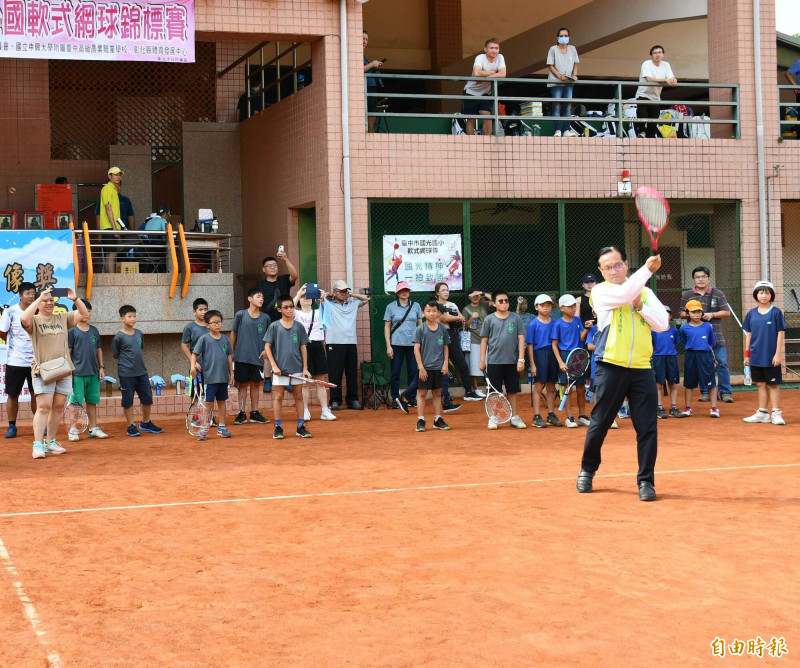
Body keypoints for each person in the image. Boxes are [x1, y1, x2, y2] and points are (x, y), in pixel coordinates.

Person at [576, 248, 668, 502]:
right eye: (607, 268)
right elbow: (626, 293)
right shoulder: (600, 291)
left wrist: (641, 307)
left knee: (647, 427)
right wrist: (648, 270)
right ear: (601, 272)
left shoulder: (646, 293)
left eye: (617, 265)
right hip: (610, 366)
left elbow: (663, 324)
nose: (613, 271)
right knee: (600, 422)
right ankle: (587, 470)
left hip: (642, 368)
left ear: (626, 265)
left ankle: (646, 481)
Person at [21, 288, 89, 458]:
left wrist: (75, 298)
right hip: (43, 371)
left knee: (58, 407)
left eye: (52, 300)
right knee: (43, 407)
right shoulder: (34, 320)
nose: (50, 303)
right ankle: (38, 444)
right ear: (38, 303)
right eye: (45, 300)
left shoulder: (62, 318)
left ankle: (50, 441)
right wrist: (38, 299)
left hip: (64, 369)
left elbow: (83, 313)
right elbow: (24, 319)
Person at [679, 266, 733, 402]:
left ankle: (726, 392)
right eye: (697, 277)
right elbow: (681, 313)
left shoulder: (718, 293)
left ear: (709, 278)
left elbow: (727, 312)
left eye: (703, 276)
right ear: (693, 279)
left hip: (717, 336)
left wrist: (712, 315)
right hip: (697, 340)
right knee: (701, 366)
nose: (701, 279)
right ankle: (705, 392)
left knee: (722, 363)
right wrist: (695, 314)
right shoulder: (687, 295)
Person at [263, 295, 312, 439]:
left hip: (297, 368)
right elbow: (267, 346)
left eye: (291, 306)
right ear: (279, 309)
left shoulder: (299, 326)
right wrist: (273, 365)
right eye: (286, 307)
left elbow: (303, 347)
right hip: (280, 371)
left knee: (298, 396)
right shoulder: (274, 326)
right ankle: (278, 427)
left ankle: (300, 426)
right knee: (278, 396)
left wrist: (305, 368)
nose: (290, 309)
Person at [112, 305, 163, 437]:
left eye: (134, 316)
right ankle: (130, 426)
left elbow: (140, 348)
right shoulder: (119, 336)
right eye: (129, 316)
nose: (133, 319)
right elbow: (115, 354)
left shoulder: (139, 333)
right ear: (122, 318)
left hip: (142, 372)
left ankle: (146, 423)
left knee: (147, 398)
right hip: (126, 374)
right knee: (127, 400)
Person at [480, 289, 526, 430]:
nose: (504, 303)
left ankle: (514, 417)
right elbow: (484, 340)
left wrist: (521, 359)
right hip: (494, 361)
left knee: (512, 391)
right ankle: (494, 417)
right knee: (495, 392)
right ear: (493, 303)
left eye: (506, 300)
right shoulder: (489, 319)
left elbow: (521, 338)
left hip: (512, 361)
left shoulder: (515, 318)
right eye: (501, 301)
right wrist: (482, 360)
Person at [742, 281, 786, 425]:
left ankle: (776, 413)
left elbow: (780, 334)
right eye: (761, 292)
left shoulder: (776, 313)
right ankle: (762, 413)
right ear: (756, 295)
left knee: (773, 385)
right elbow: (748, 335)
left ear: (771, 295)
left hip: (771, 357)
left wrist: (777, 354)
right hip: (755, 356)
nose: (764, 295)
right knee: (760, 384)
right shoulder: (751, 314)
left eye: (767, 292)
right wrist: (746, 355)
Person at [255, 251, 299, 392]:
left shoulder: (284, 280)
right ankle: (268, 380)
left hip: (286, 321)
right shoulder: (260, 285)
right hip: (268, 322)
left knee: (285, 351)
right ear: (264, 269)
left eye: (274, 265)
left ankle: (286, 379)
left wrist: (286, 259)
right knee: (267, 351)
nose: (273, 267)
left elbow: (295, 276)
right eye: (269, 266)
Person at [321, 280, 368, 410]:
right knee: (335, 373)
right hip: (333, 343)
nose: (344, 293)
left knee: (352, 373)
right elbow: (321, 299)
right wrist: (330, 294)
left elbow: (366, 298)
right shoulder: (328, 304)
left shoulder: (352, 303)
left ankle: (352, 400)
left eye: (345, 291)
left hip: (350, 342)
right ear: (335, 292)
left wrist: (351, 295)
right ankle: (335, 400)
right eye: (340, 291)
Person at [66, 299, 108, 441]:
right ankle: (72, 430)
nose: (86, 313)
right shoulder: (71, 331)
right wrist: (69, 371)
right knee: (75, 403)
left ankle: (93, 428)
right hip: (77, 374)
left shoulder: (94, 330)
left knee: (92, 401)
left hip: (93, 372)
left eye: (89, 310)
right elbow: (68, 352)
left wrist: (101, 367)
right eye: (83, 310)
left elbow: (99, 349)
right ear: (75, 313)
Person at [1, 282, 38, 438]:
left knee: (36, 393)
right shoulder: (10, 312)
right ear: (20, 295)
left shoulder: (38, 311)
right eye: (28, 293)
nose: (31, 296)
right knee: (13, 394)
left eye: (33, 293)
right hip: (15, 361)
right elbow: (3, 332)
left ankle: (39, 424)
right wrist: (14, 345)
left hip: (36, 361)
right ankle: (11, 426)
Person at [294, 284, 336, 421]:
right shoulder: (297, 314)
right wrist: (299, 293)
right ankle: (305, 410)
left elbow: (329, 311)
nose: (306, 299)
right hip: (303, 347)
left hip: (318, 346)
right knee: (305, 381)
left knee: (320, 380)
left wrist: (323, 298)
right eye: (304, 297)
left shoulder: (318, 312)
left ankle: (325, 409)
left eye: (309, 297)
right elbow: (288, 308)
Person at [230, 288, 271, 425]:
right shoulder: (240, 315)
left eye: (262, 298)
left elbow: (269, 337)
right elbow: (234, 333)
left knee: (255, 385)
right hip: (241, 357)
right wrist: (231, 352)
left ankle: (254, 412)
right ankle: (241, 413)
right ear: (250, 299)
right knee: (242, 385)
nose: (261, 299)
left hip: (258, 358)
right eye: (258, 296)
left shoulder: (265, 318)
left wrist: (267, 351)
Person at [191, 310, 234, 440]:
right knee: (208, 403)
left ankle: (221, 427)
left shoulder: (225, 339)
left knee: (222, 402)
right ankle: (203, 429)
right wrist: (193, 367)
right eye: (214, 323)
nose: (217, 325)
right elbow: (194, 354)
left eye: (219, 322)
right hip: (210, 378)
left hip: (223, 378)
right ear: (207, 325)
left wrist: (231, 373)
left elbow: (229, 357)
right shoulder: (204, 339)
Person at [384, 281, 423, 413]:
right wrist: (388, 346)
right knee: (395, 372)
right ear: (397, 292)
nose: (404, 292)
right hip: (396, 344)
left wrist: (420, 343)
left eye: (406, 290)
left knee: (413, 371)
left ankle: (410, 398)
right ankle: (395, 398)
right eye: (402, 290)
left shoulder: (416, 306)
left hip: (413, 345)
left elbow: (420, 325)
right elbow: (387, 327)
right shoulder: (390, 307)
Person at [412, 300, 451, 432]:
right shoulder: (420, 329)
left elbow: (445, 347)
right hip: (425, 368)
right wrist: (421, 367)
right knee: (422, 393)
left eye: (434, 311)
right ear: (423, 313)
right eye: (428, 311)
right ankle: (421, 419)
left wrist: (445, 363)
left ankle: (437, 419)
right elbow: (416, 349)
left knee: (437, 393)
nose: (431, 314)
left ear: (439, 313)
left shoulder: (442, 329)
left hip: (439, 367)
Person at [552, 294, 589, 428]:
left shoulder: (578, 320)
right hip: (565, 356)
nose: (573, 308)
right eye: (570, 306)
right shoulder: (558, 324)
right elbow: (554, 345)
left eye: (574, 306)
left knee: (581, 388)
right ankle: (569, 417)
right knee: (568, 388)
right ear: (562, 308)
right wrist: (561, 362)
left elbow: (582, 338)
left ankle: (582, 415)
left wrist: (587, 329)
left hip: (578, 356)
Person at [434, 282, 473, 409]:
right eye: (443, 290)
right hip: (440, 334)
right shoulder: (435, 306)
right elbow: (443, 319)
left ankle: (468, 391)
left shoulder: (452, 304)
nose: (446, 292)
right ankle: (445, 397)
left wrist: (453, 317)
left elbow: (462, 318)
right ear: (437, 293)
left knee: (461, 362)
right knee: (440, 366)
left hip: (453, 334)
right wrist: (454, 317)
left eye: (447, 290)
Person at [680, 300, 719, 418]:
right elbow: (685, 342)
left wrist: (713, 357)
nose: (696, 315)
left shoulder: (708, 326)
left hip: (705, 356)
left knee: (710, 382)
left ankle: (714, 408)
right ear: (687, 313)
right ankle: (687, 408)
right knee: (689, 383)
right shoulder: (684, 328)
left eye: (698, 312)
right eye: (693, 312)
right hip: (691, 356)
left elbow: (711, 343)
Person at [527, 294, 560, 428]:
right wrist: (533, 364)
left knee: (551, 386)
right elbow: (530, 345)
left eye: (548, 305)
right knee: (539, 386)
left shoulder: (555, 323)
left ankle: (551, 414)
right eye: (542, 305)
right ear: (536, 307)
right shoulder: (533, 324)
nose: (546, 308)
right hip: (539, 355)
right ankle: (536, 416)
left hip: (552, 355)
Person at [461, 38, 506, 136]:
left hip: (485, 93)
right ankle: (471, 143)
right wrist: (493, 73)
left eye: (496, 48)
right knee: (471, 120)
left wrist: (486, 76)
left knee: (488, 117)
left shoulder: (500, 57)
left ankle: (486, 143)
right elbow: (477, 73)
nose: (494, 50)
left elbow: (503, 74)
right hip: (471, 92)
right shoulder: (480, 57)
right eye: (491, 48)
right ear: (485, 49)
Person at [634, 45, 677, 138]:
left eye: (659, 52)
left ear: (663, 55)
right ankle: (641, 132)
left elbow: (671, 78)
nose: (657, 55)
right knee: (642, 114)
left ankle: (650, 137)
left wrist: (673, 80)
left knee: (653, 119)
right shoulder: (646, 63)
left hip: (656, 97)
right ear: (651, 56)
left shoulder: (666, 65)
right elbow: (649, 79)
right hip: (643, 94)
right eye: (655, 53)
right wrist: (666, 80)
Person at [546, 27, 580, 137]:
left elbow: (575, 63)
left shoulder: (572, 49)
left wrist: (574, 75)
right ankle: (557, 130)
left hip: (569, 82)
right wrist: (560, 76)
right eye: (561, 36)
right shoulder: (553, 49)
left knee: (568, 106)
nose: (564, 38)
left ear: (569, 37)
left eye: (566, 35)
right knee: (556, 106)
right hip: (556, 82)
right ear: (557, 37)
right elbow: (550, 65)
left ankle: (566, 130)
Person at [651, 306, 683, 419]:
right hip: (658, 358)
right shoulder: (653, 330)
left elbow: (675, 343)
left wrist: (668, 352)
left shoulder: (674, 329)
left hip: (671, 358)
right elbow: (652, 345)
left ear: (670, 316)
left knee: (672, 384)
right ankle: (659, 407)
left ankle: (673, 407)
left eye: (667, 314)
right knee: (658, 384)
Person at [463, 287, 491, 399]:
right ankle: (476, 389)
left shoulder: (483, 305)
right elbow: (464, 326)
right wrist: (471, 318)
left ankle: (490, 387)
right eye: (472, 295)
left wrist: (483, 293)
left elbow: (495, 301)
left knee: (489, 365)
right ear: (469, 297)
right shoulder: (466, 309)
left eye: (477, 295)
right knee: (474, 366)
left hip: (488, 339)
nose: (475, 297)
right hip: (474, 340)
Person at [99, 166, 125, 274]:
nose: (118, 177)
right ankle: (111, 278)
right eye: (115, 175)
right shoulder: (107, 189)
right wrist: (114, 228)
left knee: (112, 253)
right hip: (109, 227)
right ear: (109, 176)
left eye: (119, 175)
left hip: (114, 226)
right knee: (112, 253)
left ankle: (110, 277)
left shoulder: (114, 190)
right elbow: (108, 208)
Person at [363, 30, 384, 133]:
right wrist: (372, 64)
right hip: (366, 88)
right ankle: (369, 132)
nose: (364, 41)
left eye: (366, 39)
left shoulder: (363, 56)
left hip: (371, 87)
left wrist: (374, 66)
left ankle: (370, 131)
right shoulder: (355, 53)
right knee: (370, 111)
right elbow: (359, 69)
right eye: (362, 38)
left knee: (373, 111)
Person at [181, 298, 209, 371]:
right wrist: (193, 362)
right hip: (198, 365)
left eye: (205, 309)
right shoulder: (189, 327)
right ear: (194, 312)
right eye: (200, 310)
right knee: (198, 382)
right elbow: (184, 346)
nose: (203, 312)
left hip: (212, 363)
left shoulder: (212, 325)